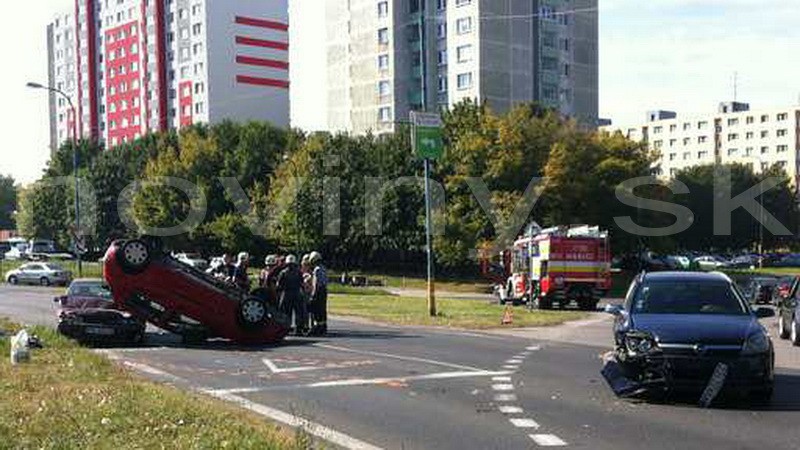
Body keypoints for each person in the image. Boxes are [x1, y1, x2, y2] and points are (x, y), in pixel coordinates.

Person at [276, 255, 306, 335]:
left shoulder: (283, 272)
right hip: (296, 293)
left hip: (287, 294)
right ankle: (298, 329)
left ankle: (286, 328)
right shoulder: (298, 272)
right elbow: (302, 283)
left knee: (287, 312)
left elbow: (278, 285)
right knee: (298, 312)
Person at [308, 251, 328, 336]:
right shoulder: (324, 268)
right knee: (322, 308)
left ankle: (318, 328)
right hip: (324, 290)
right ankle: (323, 326)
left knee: (316, 310)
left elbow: (316, 283)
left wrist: (313, 295)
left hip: (318, 291)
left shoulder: (317, 270)